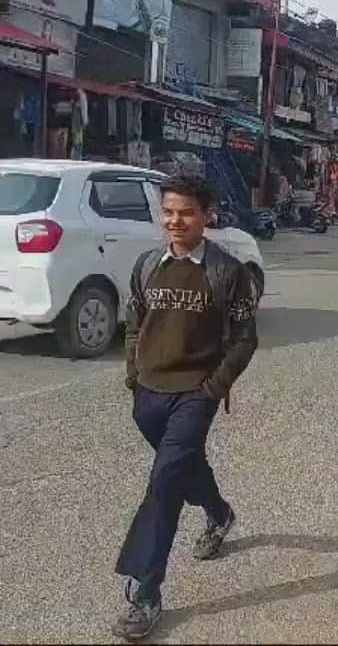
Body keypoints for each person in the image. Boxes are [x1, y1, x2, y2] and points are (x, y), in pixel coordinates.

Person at [113, 174, 258, 640]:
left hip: (195, 393)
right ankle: (219, 513)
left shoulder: (227, 271)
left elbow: (245, 338)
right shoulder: (147, 265)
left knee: (164, 482)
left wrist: (214, 387)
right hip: (148, 394)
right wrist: (133, 374)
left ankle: (145, 592)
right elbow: (134, 322)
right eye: (169, 212)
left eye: (187, 213)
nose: (176, 221)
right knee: (181, 466)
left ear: (207, 215)